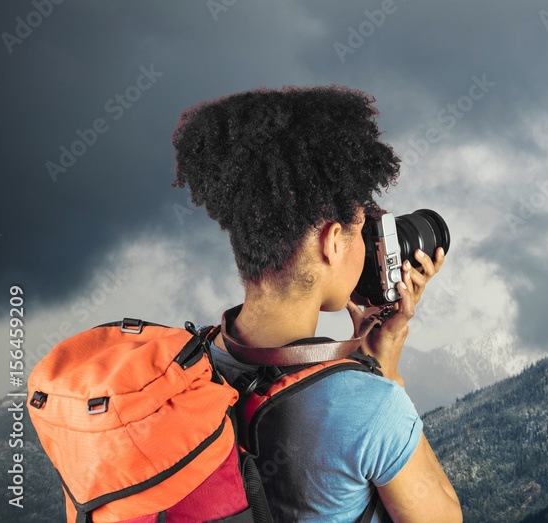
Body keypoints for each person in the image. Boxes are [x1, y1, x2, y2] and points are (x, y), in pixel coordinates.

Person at [170, 85, 462, 522]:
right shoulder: (370, 406)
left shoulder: (181, 369)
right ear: (331, 242)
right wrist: (387, 373)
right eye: (361, 230)